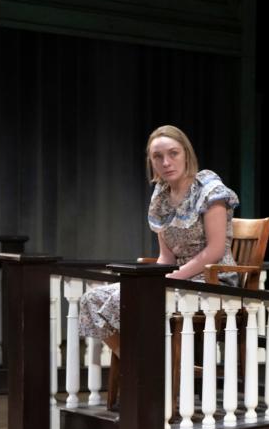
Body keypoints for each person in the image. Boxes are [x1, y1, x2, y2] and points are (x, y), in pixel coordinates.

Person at [78, 125, 240, 361]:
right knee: (92, 299)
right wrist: (153, 276)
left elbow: (215, 251)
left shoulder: (210, 191)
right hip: (177, 278)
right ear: (151, 161)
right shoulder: (161, 196)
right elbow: (166, 257)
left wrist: (174, 277)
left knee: (133, 298)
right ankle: (136, 363)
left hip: (213, 280)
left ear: (186, 153)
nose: (166, 162)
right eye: (158, 156)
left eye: (173, 153)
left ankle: (148, 367)